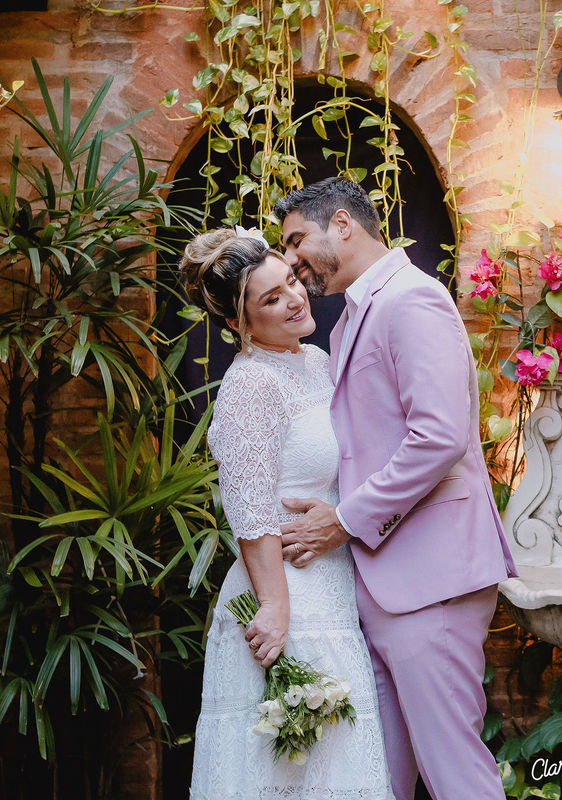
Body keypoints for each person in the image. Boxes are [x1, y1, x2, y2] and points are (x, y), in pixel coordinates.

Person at [271, 177, 517, 800]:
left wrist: (343, 520)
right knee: (383, 781)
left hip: (430, 581)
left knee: (456, 776)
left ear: (343, 224)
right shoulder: (354, 315)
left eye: (297, 240)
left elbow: (439, 437)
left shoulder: (412, 299)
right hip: (383, 582)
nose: (292, 260)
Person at [181, 228, 393, 800]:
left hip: (333, 582)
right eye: (271, 299)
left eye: (291, 282)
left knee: (337, 766)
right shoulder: (250, 385)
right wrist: (275, 608)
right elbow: (250, 511)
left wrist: (343, 514)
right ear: (239, 323)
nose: (295, 299)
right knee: (285, 772)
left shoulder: (317, 362)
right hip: (284, 595)